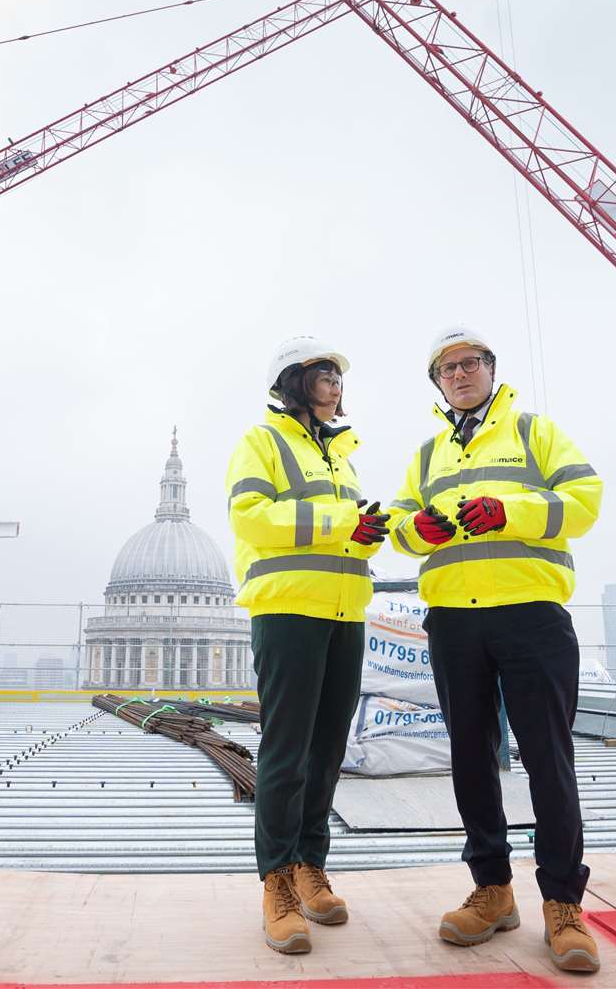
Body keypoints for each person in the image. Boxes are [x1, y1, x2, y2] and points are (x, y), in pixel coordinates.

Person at [386, 326, 604, 974]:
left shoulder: (534, 434)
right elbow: (399, 520)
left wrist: (508, 512)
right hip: (454, 620)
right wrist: (411, 528)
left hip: (530, 614)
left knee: (547, 758)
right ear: (437, 384)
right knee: (470, 760)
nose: (459, 374)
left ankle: (563, 903)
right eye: (447, 368)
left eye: (470, 363)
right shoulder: (427, 457)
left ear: (490, 369)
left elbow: (584, 500)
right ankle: (493, 891)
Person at [226, 335, 390, 955]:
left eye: (338, 375)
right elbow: (252, 518)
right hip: (288, 609)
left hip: (345, 612)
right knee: (287, 752)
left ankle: (309, 864)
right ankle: (276, 883)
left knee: (327, 751)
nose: (336, 383)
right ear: (294, 381)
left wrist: (371, 531)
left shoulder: (340, 457)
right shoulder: (260, 443)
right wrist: (341, 523)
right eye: (324, 373)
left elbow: (346, 534)